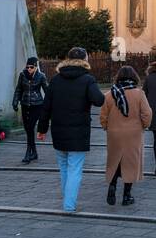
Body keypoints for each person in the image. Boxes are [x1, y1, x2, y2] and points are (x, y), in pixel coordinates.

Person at [37, 45, 105, 214]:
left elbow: (46, 107)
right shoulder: (88, 80)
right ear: (85, 61)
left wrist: (42, 129)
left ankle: (68, 201)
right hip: (78, 131)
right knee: (75, 168)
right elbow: (99, 100)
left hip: (59, 131)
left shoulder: (56, 80)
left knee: (64, 168)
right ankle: (69, 205)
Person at [100, 65, 152, 206]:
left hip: (114, 133)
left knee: (114, 161)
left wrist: (107, 127)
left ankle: (112, 186)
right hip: (133, 133)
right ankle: (126, 196)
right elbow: (147, 114)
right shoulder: (139, 94)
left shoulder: (109, 94)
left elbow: (103, 116)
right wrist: (144, 125)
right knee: (131, 163)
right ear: (134, 77)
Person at [12, 56, 48, 164]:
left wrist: (49, 105)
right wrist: (15, 101)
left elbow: (47, 91)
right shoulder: (22, 75)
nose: (29, 69)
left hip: (37, 105)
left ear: (36, 67)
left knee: (30, 127)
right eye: (27, 67)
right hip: (25, 104)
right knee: (28, 129)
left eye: (31, 67)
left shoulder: (41, 76)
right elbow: (18, 89)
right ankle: (34, 152)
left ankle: (28, 152)